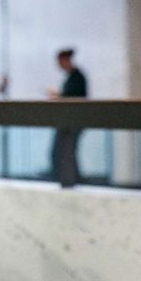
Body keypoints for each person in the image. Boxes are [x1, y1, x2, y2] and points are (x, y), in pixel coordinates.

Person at [48, 48, 88, 187]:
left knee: (66, 153)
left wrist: (58, 96)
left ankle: (72, 182)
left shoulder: (77, 77)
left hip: (73, 121)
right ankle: (68, 181)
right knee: (65, 153)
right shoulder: (72, 77)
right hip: (69, 121)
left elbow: (73, 98)